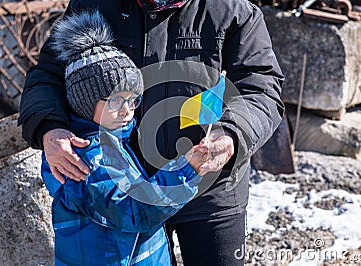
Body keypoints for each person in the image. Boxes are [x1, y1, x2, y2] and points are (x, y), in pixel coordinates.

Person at [19, 0, 285, 265]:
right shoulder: (94, 4)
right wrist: (50, 129)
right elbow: (48, 75)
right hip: (126, 186)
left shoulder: (233, 9)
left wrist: (231, 134)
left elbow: (260, 88)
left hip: (210, 188)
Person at [41, 11, 210, 265]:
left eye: (133, 100)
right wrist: (186, 171)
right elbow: (133, 211)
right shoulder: (87, 158)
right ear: (85, 103)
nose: (128, 109)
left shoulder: (118, 140)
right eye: (116, 100)